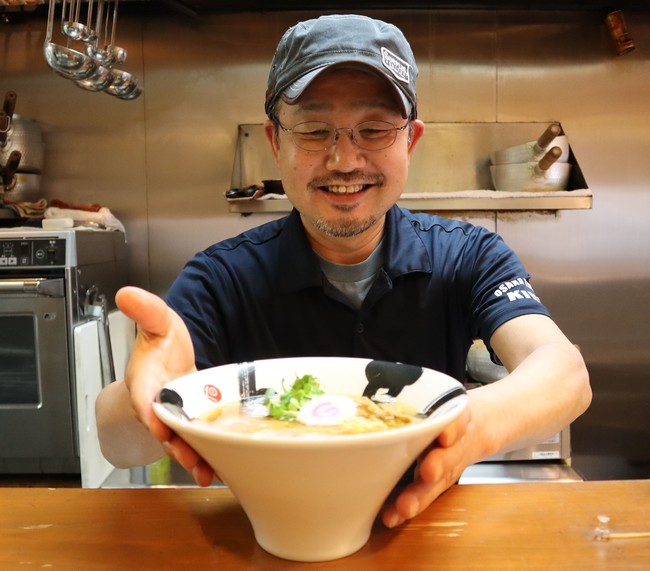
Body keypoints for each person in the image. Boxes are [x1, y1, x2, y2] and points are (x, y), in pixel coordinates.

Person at [96, 14, 591, 529]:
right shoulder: (221, 278)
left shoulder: (467, 255)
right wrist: (150, 400)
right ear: (275, 141)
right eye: (313, 131)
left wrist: (469, 424)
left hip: (419, 540)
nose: (344, 159)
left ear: (410, 141)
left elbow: (564, 374)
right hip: (266, 541)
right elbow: (116, 443)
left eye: (374, 129)